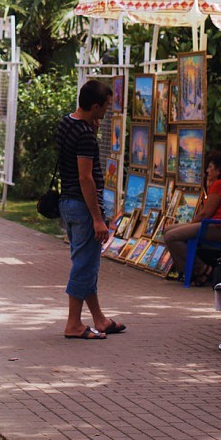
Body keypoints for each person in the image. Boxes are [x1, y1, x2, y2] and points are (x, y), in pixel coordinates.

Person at [57, 79, 125, 340]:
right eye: (106, 106)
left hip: (68, 203)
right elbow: (86, 177)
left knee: (84, 262)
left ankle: (99, 318)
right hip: (84, 205)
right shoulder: (85, 135)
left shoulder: (68, 123)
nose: (107, 111)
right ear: (95, 106)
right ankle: (73, 324)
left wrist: (91, 128)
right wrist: (98, 219)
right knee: (84, 266)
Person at [161, 151, 221, 281]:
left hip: (218, 227)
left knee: (171, 236)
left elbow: (205, 213)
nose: (207, 171)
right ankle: (189, 271)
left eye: (210, 167)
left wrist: (191, 225)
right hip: (216, 225)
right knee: (167, 230)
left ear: (219, 170)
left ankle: (201, 270)